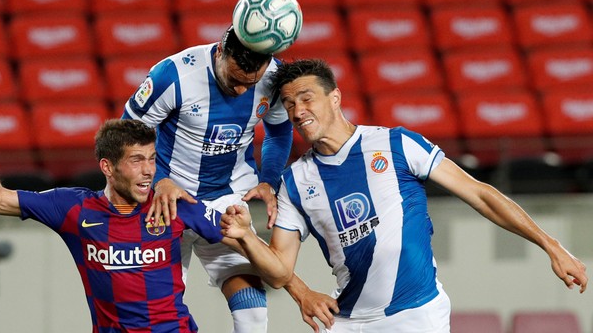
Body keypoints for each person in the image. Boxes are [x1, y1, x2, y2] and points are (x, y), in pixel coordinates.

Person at [220, 59, 589, 332]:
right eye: (289, 104)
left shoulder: (396, 143)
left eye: (306, 98)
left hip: (415, 316)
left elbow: (480, 194)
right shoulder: (296, 181)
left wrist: (551, 245)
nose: (298, 112)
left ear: (335, 98)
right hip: (347, 321)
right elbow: (280, 269)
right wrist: (249, 239)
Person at [0, 117, 234, 333]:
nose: (149, 170)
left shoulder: (173, 204)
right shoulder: (73, 208)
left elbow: (247, 242)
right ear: (107, 167)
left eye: (152, 159)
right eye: (136, 160)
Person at [121, 25, 295, 332]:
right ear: (220, 52)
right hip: (164, 199)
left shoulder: (274, 78)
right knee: (155, 310)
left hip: (227, 198)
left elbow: (279, 131)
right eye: (235, 80)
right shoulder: (173, 74)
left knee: (253, 308)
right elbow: (127, 131)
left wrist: (268, 179)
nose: (242, 91)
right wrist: (159, 179)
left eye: (249, 84)